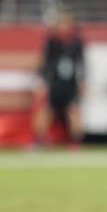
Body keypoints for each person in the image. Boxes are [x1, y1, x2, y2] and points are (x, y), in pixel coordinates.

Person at [33, 12, 85, 147]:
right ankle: (38, 141)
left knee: (74, 112)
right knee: (46, 111)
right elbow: (44, 63)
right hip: (55, 83)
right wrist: (42, 80)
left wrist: (82, 81)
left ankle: (75, 142)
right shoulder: (51, 43)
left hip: (70, 84)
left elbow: (82, 64)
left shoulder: (76, 43)